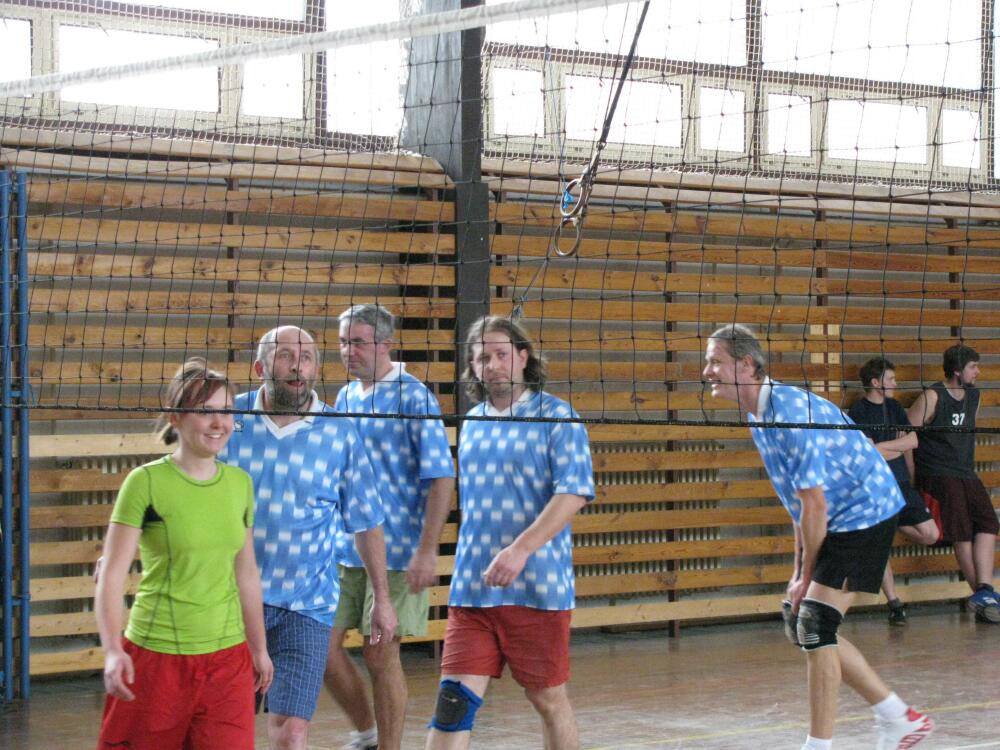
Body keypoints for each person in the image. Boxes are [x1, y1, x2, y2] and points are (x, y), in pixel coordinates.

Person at [703, 324, 933, 750]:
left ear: (746, 364)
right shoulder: (759, 415)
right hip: (839, 515)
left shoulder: (790, 412)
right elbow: (799, 502)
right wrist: (798, 574)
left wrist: (806, 576)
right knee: (805, 623)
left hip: (866, 511)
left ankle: (822, 744)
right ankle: (899, 717)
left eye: (715, 361)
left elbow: (815, 505)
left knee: (816, 624)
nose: (707, 371)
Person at [220, 325, 398, 750]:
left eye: (306, 357)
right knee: (226, 727)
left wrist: (382, 598)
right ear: (260, 367)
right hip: (230, 601)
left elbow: (366, 520)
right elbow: (183, 477)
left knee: (291, 730)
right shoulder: (228, 420)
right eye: (285, 356)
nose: (297, 366)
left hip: (306, 606)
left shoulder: (339, 430)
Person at [425, 315, 595, 750]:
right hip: (474, 589)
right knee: (452, 703)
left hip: (536, 590)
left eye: (502, 354)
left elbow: (574, 493)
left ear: (523, 357)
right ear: (473, 366)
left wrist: (520, 550)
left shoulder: (557, 416)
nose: (493, 365)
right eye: (483, 358)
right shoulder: (473, 422)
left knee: (547, 699)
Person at [95, 358, 273, 750]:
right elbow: (111, 575)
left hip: (227, 662)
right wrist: (112, 650)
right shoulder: (145, 483)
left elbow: (246, 573)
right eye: (205, 411)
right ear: (175, 417)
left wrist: (258, 648)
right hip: (157, 658)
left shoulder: (239, 484)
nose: (218, 423)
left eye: (226, 411)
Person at [325, 304, 456, 750]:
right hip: (345, 547)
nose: (348, 350)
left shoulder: (414, 397)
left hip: (398, 550)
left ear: (385, 344)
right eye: (343, 342)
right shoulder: (345, 396)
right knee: (320, 648)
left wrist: (427, 549)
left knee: (380, 652)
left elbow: (441, 476)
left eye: (358, 342)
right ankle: (367, 733)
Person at [907, 344, 1000, 623]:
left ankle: (984, 591)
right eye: (973, 367)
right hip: (936, 472)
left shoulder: (974, 395)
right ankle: (983, 598)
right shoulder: (932, 396)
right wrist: (912, 477)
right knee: (961, 531)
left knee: (988, 523)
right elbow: (906, 435)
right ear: (957, 371)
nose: (978, 372)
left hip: (964, 471)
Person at [847, 358, 939, 625]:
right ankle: (894, 603)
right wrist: (895, 446)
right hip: (876, 486)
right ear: (876, 382)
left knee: (931, 534)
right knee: (881, 546)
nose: (895, 384)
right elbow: (868, 453)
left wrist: (885, 448)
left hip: (901, 483)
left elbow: (913, 440)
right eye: (891, 379)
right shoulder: (859, 411)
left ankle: (894, 522)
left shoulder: (895, 407)